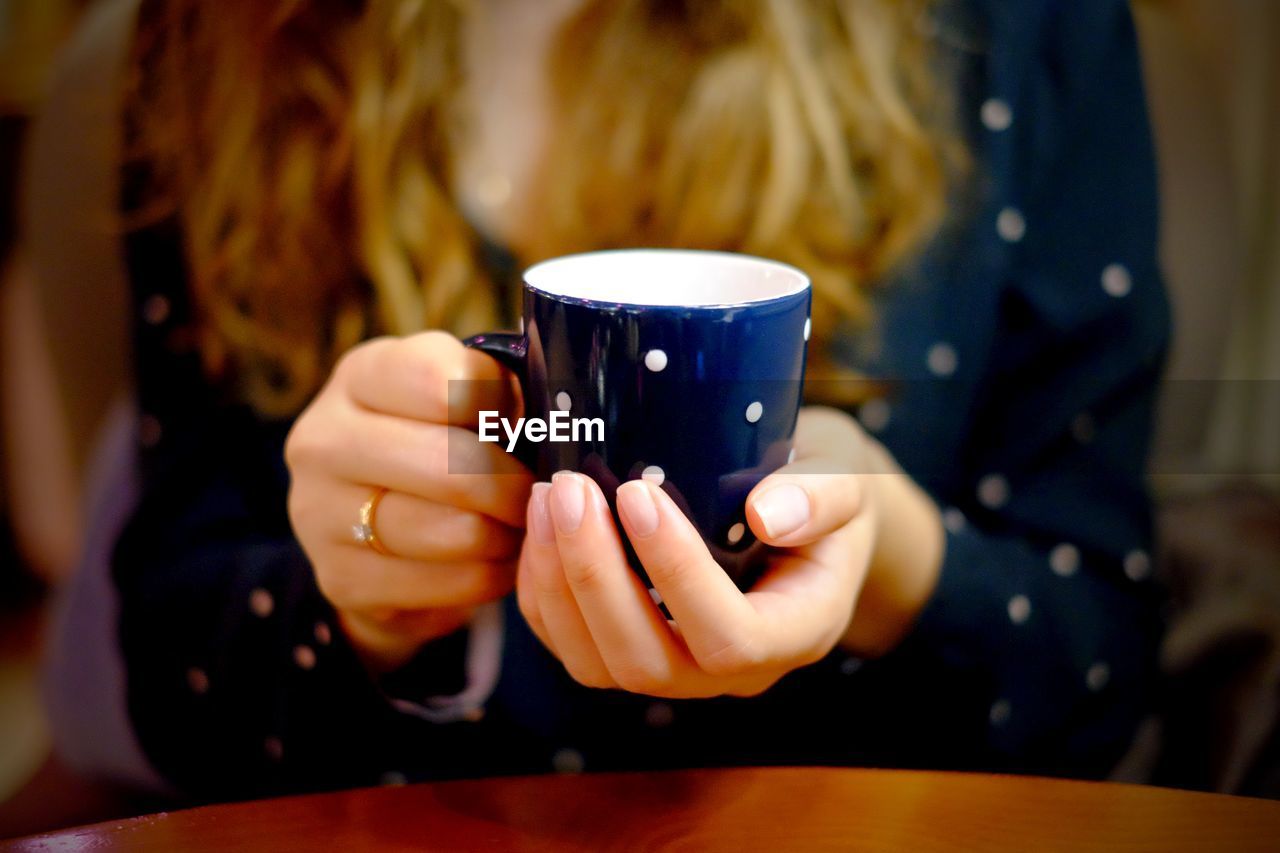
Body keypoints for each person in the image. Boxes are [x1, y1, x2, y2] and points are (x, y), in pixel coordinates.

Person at [9, 0, 1169, 801]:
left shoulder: (1010, 31)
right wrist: (363, 607)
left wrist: (887, 558)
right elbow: (170, 667)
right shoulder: (220, 40)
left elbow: (1095, 667)